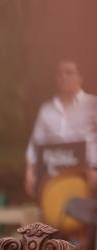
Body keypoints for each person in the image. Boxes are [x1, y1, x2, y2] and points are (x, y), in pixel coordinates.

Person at [24, 59, 97, 197]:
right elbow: (35, 144)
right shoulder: (46, 110)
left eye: (69, 72)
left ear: (80, 77)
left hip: (89, 180)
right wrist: (29, 172)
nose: (63, 77)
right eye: (60, 73)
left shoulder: (93, 105)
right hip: (54, 180)